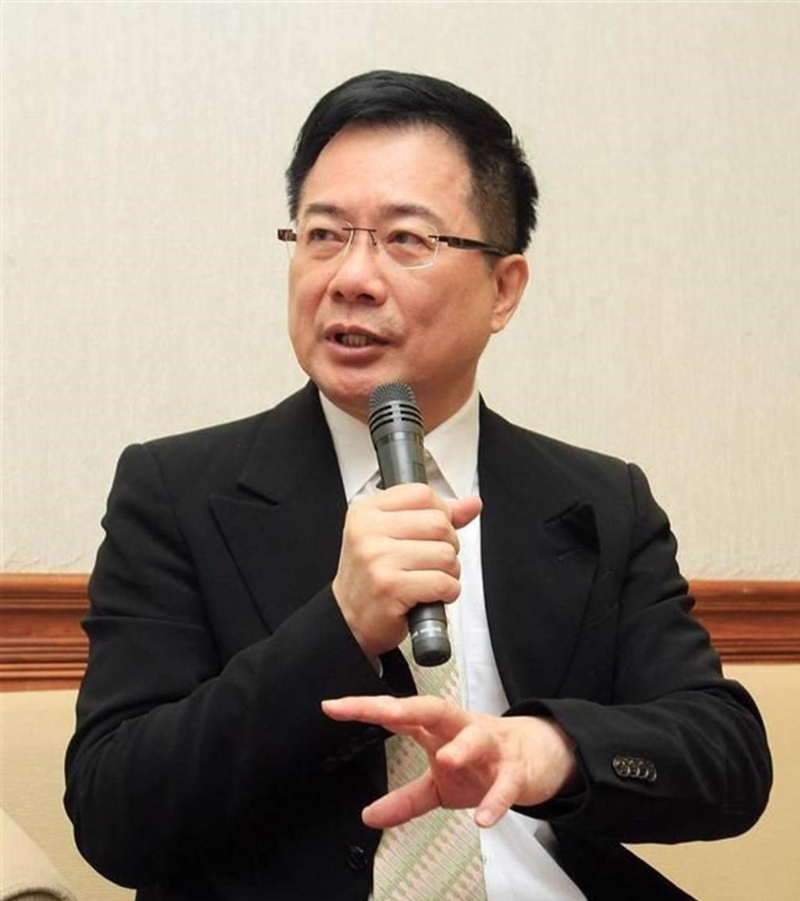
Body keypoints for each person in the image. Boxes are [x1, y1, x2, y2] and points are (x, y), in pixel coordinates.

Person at [64, 70, 771, 901]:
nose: (351, 277)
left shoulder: (600, 501)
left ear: (503, 289)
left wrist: (550, 748)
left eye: (405, 239)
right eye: (323, 234)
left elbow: (726, 757)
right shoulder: (176, 491)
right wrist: (338, 627)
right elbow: (115, 813)